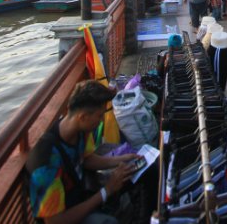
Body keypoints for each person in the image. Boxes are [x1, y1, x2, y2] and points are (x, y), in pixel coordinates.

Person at [26, 80, 156, 223]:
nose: (101, 122)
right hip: (67, 214)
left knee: (149, 169)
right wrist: (106, 191)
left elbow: (86, 159)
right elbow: (55, 221)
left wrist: (122, 159)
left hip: (83, 194)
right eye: (99, 116)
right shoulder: (46, 160)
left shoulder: (80, 130)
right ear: (82, 117)